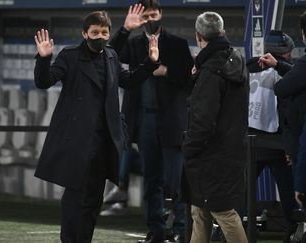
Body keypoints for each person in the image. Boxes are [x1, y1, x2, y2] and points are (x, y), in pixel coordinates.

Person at [33, 10, 160, 243]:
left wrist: (150, 63)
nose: (100, 36)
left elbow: (129, 81)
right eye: (95, 32)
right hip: (77, 141)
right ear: (84, 34)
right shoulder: (69, 56)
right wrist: (43, 58)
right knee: (74, 199)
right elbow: (44, 81)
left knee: (93, 200)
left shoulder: (111, 56)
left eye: (104, 32)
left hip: (104, 142)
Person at [109, 1, 194, 242]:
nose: (150, 19)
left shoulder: (177, 44)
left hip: (172, 121)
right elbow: (110, 52)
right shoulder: (134, 44)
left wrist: (166, 71)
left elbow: (189, 81)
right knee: (151, 180)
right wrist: (126, 28)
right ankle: (156, 230)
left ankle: (180, 230)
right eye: (145, 16)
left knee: (175, 180)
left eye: (153, 14)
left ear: (161, 14)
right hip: (144, 119)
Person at [181, 11, 249, 243]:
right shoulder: (236, 59)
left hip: (210, 154)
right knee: (200, 210)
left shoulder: (210, 71)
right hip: (231, 148)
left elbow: (203, 120)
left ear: (198, 36)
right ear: (222, 32)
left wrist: (189, 148)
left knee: (223, 212)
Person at [246, 30, 297, 242]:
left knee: (242, 192)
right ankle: (293, 233)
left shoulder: (249, 65)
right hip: (277, 143)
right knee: (289, 194)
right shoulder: (290, 72)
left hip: (252, 140)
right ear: (284, 53)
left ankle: (236, 232)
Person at [258, 11, 306, 210]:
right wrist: (280, 66)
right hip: (279, 141)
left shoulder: (301, 65)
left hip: (276, 140)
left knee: (293, 192)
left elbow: (283, 88)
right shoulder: (297, 66)